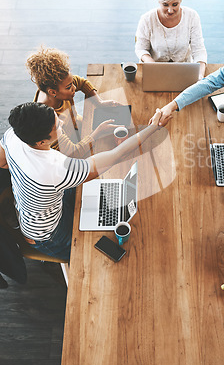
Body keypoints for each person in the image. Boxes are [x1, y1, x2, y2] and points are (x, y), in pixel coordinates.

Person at [0, 102, 162, 261]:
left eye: (57, 118)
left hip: (40, 208)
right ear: (41, 142)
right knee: (88, 257)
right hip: (48, 233)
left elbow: (2, 162)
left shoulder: (13, 135)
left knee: (98, 197)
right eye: (56, 127)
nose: (62, 123)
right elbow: (117, 155)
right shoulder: (56, 168)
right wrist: (153, 127)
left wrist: (26, 175)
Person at [26, 46, 118, 158]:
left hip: (78, 128)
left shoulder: (57, 84)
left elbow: (82, 82)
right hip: (68, 155)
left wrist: (99, 102)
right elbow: (72, 153)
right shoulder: (47, 121)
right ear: (52, 92)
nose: (74, 88)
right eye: (69, 87)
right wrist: (97, 133)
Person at [135, 0, 207, 79]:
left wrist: (200, 76)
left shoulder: (192, 16)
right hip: (155, 72)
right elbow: (141, 49)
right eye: (165, 4)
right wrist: (152, 65)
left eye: (175, 4)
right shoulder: (147, 19)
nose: (170, 10)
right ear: (158, 0)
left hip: (185, 71)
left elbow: (199, 50)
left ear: (180, 0)